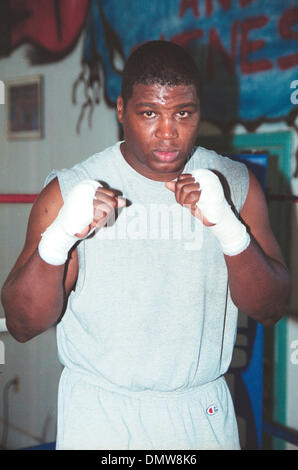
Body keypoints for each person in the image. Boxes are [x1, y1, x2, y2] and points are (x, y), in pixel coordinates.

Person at [1, 40, 290, 450]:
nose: (168, 133)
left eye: (183, 114)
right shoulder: (69, 192)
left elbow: (272, 308)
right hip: (101, 416)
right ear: (121, 110)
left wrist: (229, 228)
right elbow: (21, 324)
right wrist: (60, 238)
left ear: (199, 111)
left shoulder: (234, 185)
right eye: (149, 113)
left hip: (201, 412)